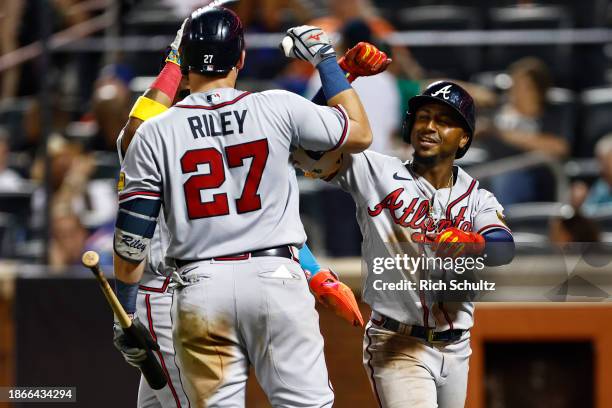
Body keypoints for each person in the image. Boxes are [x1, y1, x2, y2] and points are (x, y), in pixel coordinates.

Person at [113, 6, 372, 407]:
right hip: (274, 277)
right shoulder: (276, 105)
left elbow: (131, 240)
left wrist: (123, 314)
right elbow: (354, 132)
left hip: (197, 286)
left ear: (183, 62)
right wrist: (327, 63)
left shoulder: (154, 133)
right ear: (242, 58)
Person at [297, 80, 515, 407]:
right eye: (423, 117)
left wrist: (473, 243)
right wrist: (337, 74)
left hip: (456, 347)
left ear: (464, 138)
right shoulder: (375, 170)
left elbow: (503, 247)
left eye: (443, 121)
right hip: (396, 341)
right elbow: (306, 146)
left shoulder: (478, 197)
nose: (428, 126)